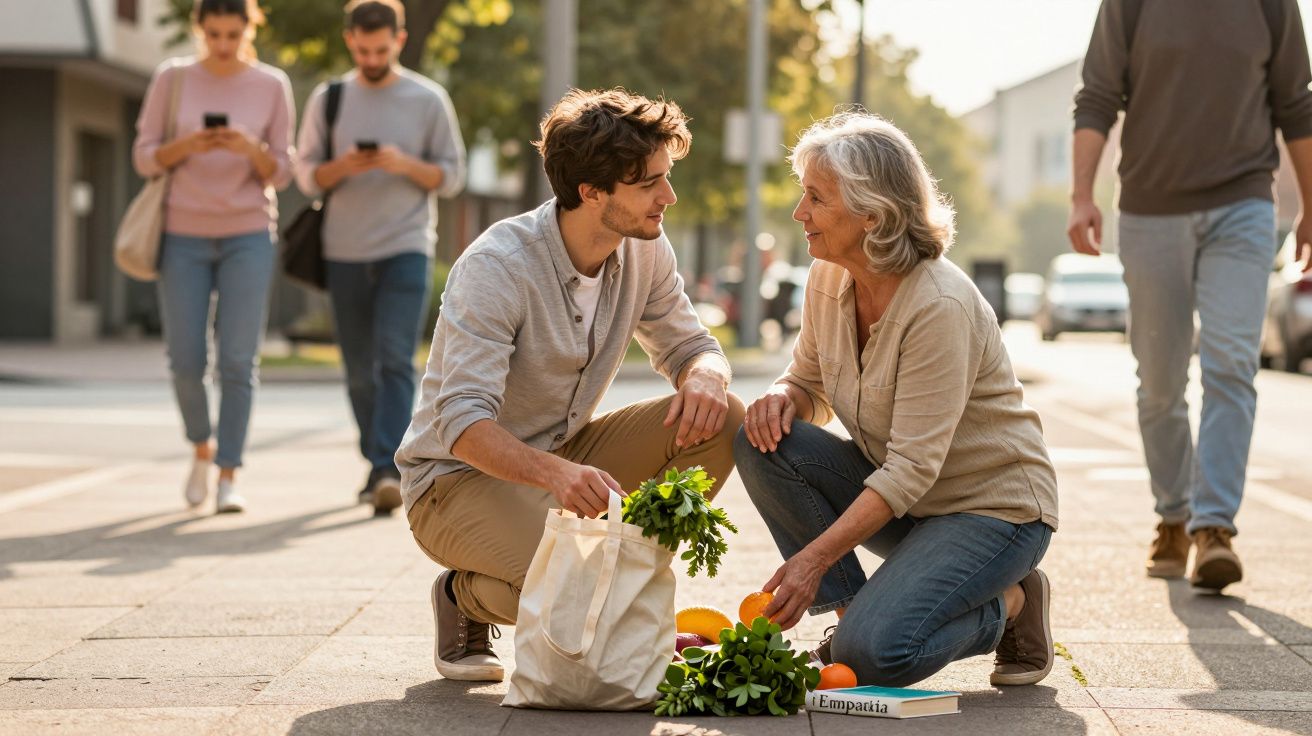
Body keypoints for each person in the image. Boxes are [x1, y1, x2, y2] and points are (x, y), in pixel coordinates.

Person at [396, 88, 744, 682]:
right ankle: (466, 597)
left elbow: (691, 346)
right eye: (649, 183)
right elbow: (461, 422)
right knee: (580, 588)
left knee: (726, 417)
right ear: (591, 191)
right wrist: (557, 475)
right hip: (453, 482)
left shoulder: (645, 247)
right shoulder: (498, 267)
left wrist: (706, 375)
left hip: (563, 457)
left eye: (666, 176)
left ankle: (617, 580)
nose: (669, 196)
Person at [735, 113, 1060, 688]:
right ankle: (849, 621)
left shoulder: (939, 305)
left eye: (816, 197)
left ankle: (1009, 603)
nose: (799, 213)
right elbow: (808, 382)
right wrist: (781, 397)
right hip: (909, 504)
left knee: (879, 655)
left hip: (992, 513)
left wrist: (810, 561)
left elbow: (911, 469)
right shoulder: (826, 276)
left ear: (872, 214)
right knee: (762, 442)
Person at [1068, 0, 1312, 592]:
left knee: (1231, 362)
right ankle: (1172, 515)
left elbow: (1296, 102)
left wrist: (1309, 204)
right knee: (1159, 380)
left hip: (1245, 205)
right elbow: (1098, 95)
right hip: (1152, 210)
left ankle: (1214, 528)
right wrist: (1081, 195)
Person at [295, 0, 466, 514]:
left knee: (394, 356)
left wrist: (406, 164)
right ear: (351, 41)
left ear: (398, 38)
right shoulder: (330, 98)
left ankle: (385, 467)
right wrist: (340, 166)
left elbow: (452, 176)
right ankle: (377, 461)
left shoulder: (427, 99)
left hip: (406, 246)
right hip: (343, 250)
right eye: (363, 48)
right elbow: (304, 174)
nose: (372, 56)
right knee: (357, 369)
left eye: (381, 47)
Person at [132, 0, 295, 514]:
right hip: (182, 233)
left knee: (237, 360)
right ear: (200, 30)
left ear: (249, 28)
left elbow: (284, 172)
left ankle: (228, 473)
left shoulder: (271, 85)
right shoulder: (172, 77)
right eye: (214, 34)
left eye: (233, 33)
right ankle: (200, 446)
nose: (224, 44)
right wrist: (187, 146)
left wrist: (250, 149)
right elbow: (143, 155)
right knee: (184, 359)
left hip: (248, 233)